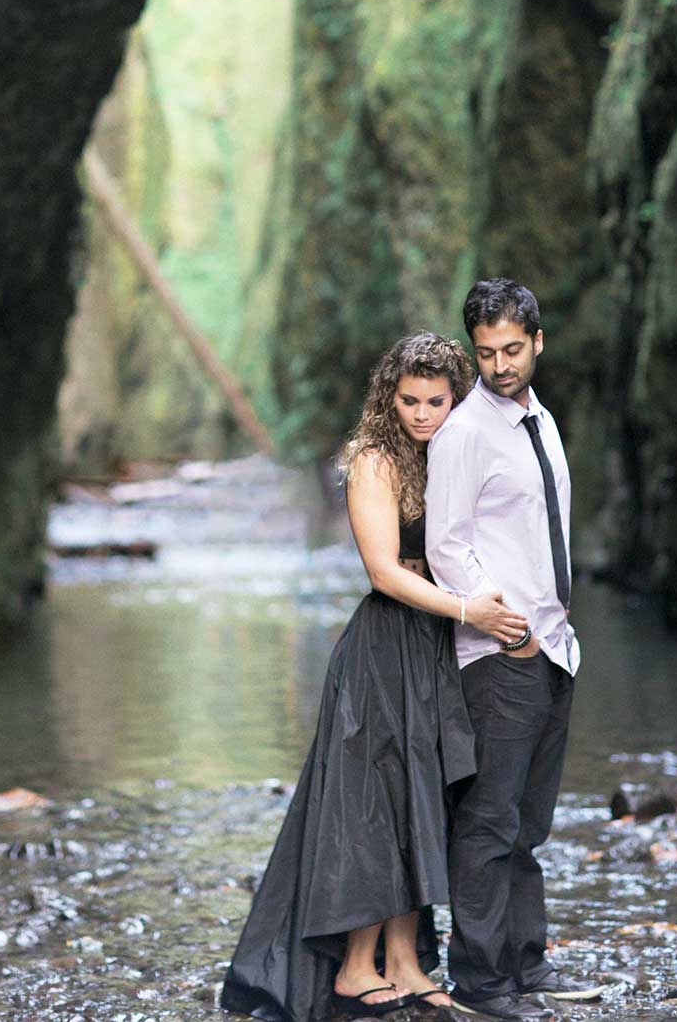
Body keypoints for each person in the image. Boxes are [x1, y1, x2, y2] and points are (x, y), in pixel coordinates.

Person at [220, 332, 508, 1022]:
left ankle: (406, 963)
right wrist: (468, 606)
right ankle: (354, 967)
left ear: (456, 397)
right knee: (372, 802)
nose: (421, 413)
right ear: (390, 395)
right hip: (385, 649)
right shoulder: (373, 460)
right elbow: (383, 572)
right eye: (408, 400)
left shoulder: (455, 456)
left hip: (439, 648)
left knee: (423, 799)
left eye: (436, 401)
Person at [425, 279, 603, 1020]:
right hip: (502, 656)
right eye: (486, 353)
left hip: (553, 649)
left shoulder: (542, 421)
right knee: (490, 823)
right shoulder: (466, 432)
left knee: (529, 826)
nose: (499, 366)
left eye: (511, 350)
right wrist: (512, 629)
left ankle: (526, 963)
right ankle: (481, 979)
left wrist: (552, 636)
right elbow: (446, 545)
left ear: (538, 341)